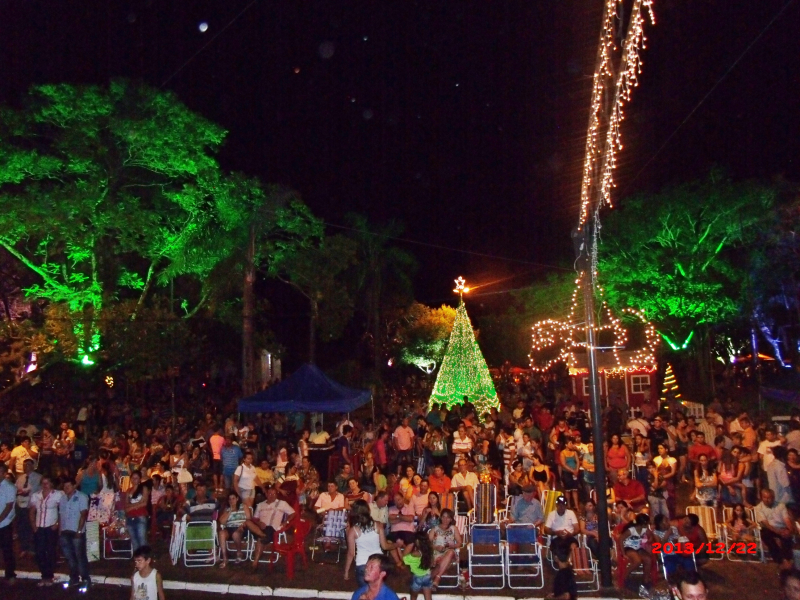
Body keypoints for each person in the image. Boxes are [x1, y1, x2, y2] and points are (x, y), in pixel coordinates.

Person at [344, 500, 396, 586]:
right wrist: (396, 545)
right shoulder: (378, 525)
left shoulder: (353, 530)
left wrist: (346, 571)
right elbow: (385, 546)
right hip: (378, 563)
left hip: (362, 564)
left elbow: (351, 553)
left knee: (365, 593)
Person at [247, 485, 295, 568]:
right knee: (248, 522)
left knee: (260, 539)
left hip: (271, 528)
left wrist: (285, 522)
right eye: (269, 493)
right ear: (266, 494)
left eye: (273, 494)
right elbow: (255, 518)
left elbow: (293, 513)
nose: (271, 496)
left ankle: (255, 562)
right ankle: (263, 536)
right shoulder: (260, 505)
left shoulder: (282, 503)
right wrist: (259, 523)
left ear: (276, 495)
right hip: (259, 528)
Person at [30, 475, 63, 587]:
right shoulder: (36, 495)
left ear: (51, 484)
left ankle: (49, 576)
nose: (45, 485)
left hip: (50, 527)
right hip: (39, 527)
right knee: (39, 552)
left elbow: (62, 511)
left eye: (47, 483)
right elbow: (32, 511)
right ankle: (44, 575)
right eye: (43, 483)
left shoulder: (58, 495)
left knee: (50, 552)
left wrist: (58, 524)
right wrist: (34, 525)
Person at [58, 477, 91, 591]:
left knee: (80, 556)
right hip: (65, 531)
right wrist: (60, 531)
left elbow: (83, 514)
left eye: (68, 486)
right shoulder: (62, 499)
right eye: (64, 487)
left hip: (76, 532)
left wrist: (79, 531)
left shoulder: (81, 497)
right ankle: (74, 578)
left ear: (73, 486)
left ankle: (86, 579)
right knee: (69, 557)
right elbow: (61, 515)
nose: (66, 488)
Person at [755, 488, 794, 570]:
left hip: (781, 526)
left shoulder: (781, 505)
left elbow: (786, 519)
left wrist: (789, 530)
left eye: (769, 498)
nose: (767, 500)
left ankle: (787, 560)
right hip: (769, 528)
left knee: (787, 537)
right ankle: (781, 560)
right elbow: (766, 524)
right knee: (766, 536)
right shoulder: (759, 508)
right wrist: (778, 532)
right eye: (764, 497)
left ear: (773, 498)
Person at [619, 513, 652, 590]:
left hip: (638, 548)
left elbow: (651, 536)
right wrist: (623, 553)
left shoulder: (645, 530)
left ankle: (645, 580)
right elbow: (621, 539)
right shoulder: (631, 530)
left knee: (648, 560)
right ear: (643, 523)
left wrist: (647, 540)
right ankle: (624, 577)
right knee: (637, 561)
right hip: (629, 547)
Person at [218, 491, 251, 568]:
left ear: (237, 499)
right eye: (230, 499)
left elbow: (249, 519)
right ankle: (225, 558)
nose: (231, 500)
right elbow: (222, 521)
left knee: (236, 533)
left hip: (241, 527)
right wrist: (230, 511)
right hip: (229, 528)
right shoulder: (227, 509)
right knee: (221, 533)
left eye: (233, 498)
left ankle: (239, 553)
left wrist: (243, 525)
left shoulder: (243, 506)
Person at [398, 531, 434, 600]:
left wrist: (398, 547)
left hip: (418, 577)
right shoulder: (429, 550)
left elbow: (403, 558)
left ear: (417, 541)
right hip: (427, 575)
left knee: (414, 596)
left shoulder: (416, 553)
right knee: (428, 597)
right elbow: (432, 562)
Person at [124, 470, 150, 552]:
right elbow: (126, 505)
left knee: (142, 538)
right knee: (134, 539)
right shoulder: (128, 490)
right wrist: (138, 504)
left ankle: (144, 558)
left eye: (136, 478)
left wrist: (132, 506)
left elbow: (144, 503)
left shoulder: (144, 488)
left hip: (140, 516)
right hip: (130, 517)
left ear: (140, 479)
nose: (134, 480)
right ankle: (137, 559)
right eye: (133, 478)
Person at [0, 463, 17, 585]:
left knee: (7, 550)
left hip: (4, 524)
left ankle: (10, 574)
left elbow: (9, 506)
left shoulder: (9, 487)